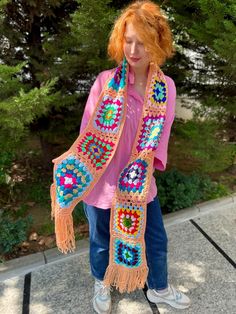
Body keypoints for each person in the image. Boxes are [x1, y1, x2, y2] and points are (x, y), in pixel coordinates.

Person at [50, 1, 191, 313]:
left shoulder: (165, 88)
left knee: (155, 239)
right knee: (101, 240)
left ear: (157, 42)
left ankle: (159, 287)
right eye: (128, 40)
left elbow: (162, 136)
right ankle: (101, 283)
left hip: (140, 183)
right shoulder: (105, 82)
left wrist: (148, 171)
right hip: (101, 183)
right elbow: (89, 133)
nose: (134, 49)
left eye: (141, 41)